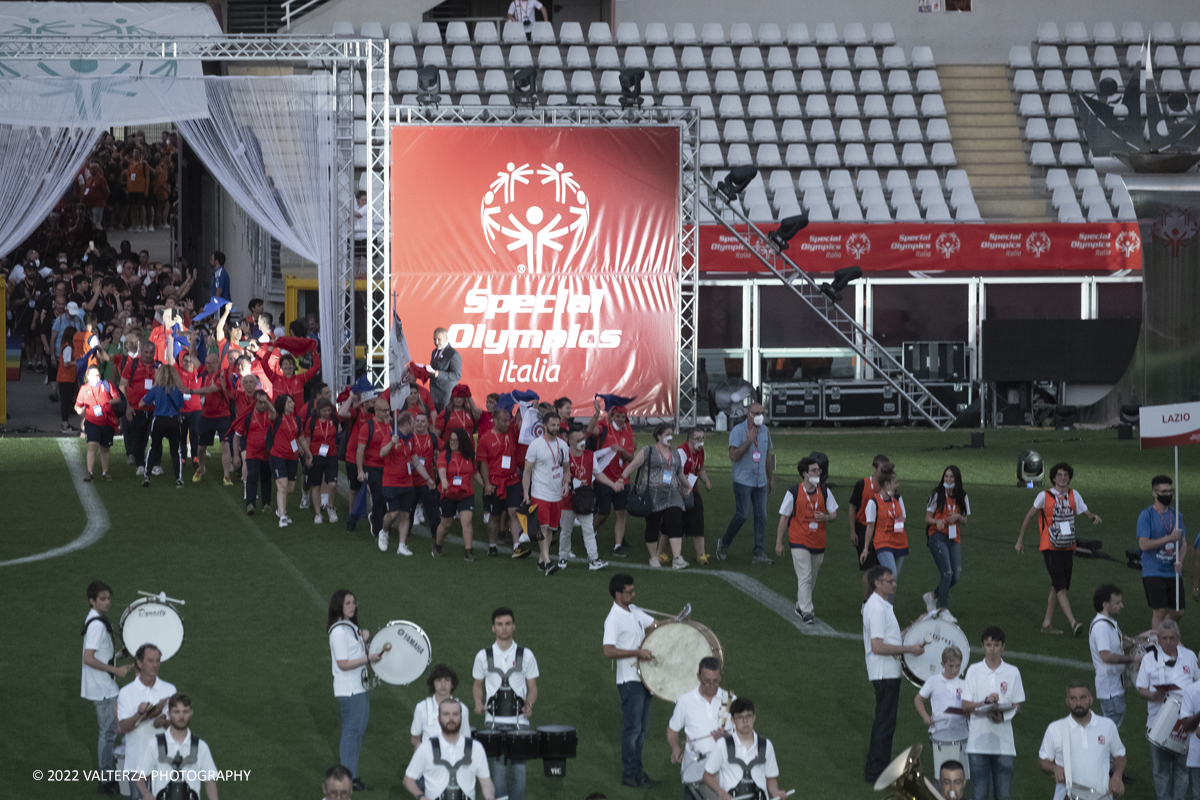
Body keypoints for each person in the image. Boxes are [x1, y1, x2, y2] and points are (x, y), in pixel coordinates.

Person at [1016, 462, 1102, 636]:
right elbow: (1029, 516)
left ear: (1070, 478)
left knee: (1058, 586)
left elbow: (1086, 512)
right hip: (1050, 546)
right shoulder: (1044, 496)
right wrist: (1020, 540)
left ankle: (1046, 624)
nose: (1063, 478)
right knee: (1061, 587)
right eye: (1059, 475)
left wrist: (1093, 517)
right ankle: (1073, 623)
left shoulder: (1074, 495)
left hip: (1068, 545)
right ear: (1053, 478)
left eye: (1066, 475)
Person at [862, 565, 925, 784]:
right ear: (877, 583)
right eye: (890, 581)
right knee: (884, 723)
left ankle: (878, 769)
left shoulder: (882, 605)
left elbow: (891, 639)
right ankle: (875, 772)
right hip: (884, 672)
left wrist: (916, 625)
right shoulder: (877, 608)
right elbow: (878, 647)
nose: (894, 584)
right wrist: (909, 650)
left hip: (887, 671)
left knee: (886, 722)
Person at [472, 607, 540, 800]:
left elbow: (532, 687)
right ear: (493, 628)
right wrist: (478, 702)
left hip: (520, 722)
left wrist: (530, 704)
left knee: (520, 771)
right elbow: (477, 685)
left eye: (507, 624)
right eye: (499, 624)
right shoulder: (482, 656)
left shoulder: (526, 655)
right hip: (493, 721)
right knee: (498, 771)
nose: (504, 628)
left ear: (514, 626)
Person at [602, 573, 657, 789]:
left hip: (645, 680)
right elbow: (608, 650)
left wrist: (678, 622)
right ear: (618, 594)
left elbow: (654, 624)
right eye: (629, 592)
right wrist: (637, 652)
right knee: (632, 731)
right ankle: (629, 774)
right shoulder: (613, 619)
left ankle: (638, 772)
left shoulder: (632, 611)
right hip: (629, 681)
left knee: (641, 732)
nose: (633, 595)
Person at [327, 589, 382, 793]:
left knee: (357, 732)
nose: (352, 606)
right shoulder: (338, 632)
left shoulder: (350, 627)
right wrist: (368, 658)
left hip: (359, 687)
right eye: (348, 603)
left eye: (353, 602)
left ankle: (352, 776)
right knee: (351, 733)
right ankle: (347, 779)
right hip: (350, 690)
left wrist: (365, 641)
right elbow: (342, 663)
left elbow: (356, 653)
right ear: (339, 606)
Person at [1136, 618, 1197, 799]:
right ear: (1158, 639)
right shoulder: (1148, 659)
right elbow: (1141, 686)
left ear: (1178, 637)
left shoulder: (1190, 656)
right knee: (1160, 772)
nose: (1168, 642)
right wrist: (1152, 695)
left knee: (1182, 769)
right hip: (1158, 721)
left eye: (1172, 638)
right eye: (1164, 638)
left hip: (1185, 721)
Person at [961, 626, 1025, 800]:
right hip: (977, 745)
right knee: (979, 795)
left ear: (1003, 647)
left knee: (1003, 796)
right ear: (983, 646)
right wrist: (986, 704)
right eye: (988, 644)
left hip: (1004, 745)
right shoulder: (974, 671)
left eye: (996, 645)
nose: (992, 649)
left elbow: (1017, 705)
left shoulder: (1013, 673)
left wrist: (1001, 716)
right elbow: (965, 705)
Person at [81, 581, 131, 795]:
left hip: (104, 685)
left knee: (111, 730)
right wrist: (116, 670)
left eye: (108, 598)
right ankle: (106, 780)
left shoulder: (96, 620)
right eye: (103, 599)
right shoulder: (96, 626)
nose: (107, 602)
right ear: (92, 601)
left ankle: (111, 776)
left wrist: (119, 655)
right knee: (108, 732)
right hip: (102, 687)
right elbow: (88, 658)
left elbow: (99, 654)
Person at [775, 456, 838, 623]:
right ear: (805, 474)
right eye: (814, 470)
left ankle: (800, 604)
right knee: (805, 575)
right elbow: (784, 518)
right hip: (798, 539)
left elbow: (834, 514)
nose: (818, 472)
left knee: (812, 577)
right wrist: (779, 542)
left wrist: (825, 517)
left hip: (818, 540)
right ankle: (807, 611)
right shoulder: (794, 492)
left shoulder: (824, 491)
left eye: (819, 470)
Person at [620, 423, 692, 569]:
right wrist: (621, 478)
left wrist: (687, 486)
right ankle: (653, 557)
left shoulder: (676, 453)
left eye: (672, 434)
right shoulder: (648, 451)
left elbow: (679, 473)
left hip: (672, 494)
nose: (670, 437)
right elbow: (633, 465)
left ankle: (677, 558)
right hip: (652, 494)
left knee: (675, 524)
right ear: (659, 436)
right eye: (667, 434)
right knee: (652, 526)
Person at [1038, 681, 1126, 800]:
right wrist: (1054, 768)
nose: (1078, 703)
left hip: (1101, 796)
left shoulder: (1107, 725)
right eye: (1073, 698)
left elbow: (1120, 755)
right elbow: (1043, 760)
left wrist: (1117, 776)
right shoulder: (1055, 728)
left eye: (1083, 698)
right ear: (1067, 702)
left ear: (1091, 700)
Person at [667, 657, 735, 799]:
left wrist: (727, 737)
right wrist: (675, 748)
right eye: (707, 681)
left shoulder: (730, 701)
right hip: (695, 767)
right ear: (698, 677)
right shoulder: (686, 701)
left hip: (723, 766)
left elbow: (744, 735)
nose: (712, 685)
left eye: (716, 681)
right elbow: (673, 730)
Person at [716, 402, 775, 565]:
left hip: (760, 480)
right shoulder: (738, 431)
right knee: (742, 514)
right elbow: (733, 456)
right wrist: (749, 442)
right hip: (743, 480)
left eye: (762, 413)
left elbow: (768, 455)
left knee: (761, 516)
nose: (760, 417)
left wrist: (771, 478)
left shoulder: (765, 431)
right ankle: (724, 543)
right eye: (756, 413)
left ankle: (759, 552)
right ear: (748, 414)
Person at [403, 699, 496, 800]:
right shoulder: (426, 748)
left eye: (455, 714)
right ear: (439, 718)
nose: (451, 718)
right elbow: (408, 779)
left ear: (461, 718)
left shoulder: (476, 748)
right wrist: (421, 796)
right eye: (446, 714)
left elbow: (485, 781)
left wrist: (490, 797)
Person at [117, 644, 178, 800]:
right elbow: (124, 728)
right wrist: (140, 714)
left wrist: (163, 722)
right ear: (139, 663)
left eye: (157, 661)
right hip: (137, 765)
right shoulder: (126, 693)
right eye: (150, 660)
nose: (155, 665)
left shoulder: (170, 690)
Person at [133, 694, 220, 800]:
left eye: (185, 712)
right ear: (169, 714)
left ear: (190, 713)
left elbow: (210, 781)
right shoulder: (154, 744)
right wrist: (146, 793)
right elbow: (139, 776)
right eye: (176, 712)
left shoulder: (201, 747)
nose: (181, 716)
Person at [701, 698, 787, 800]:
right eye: (740, 718)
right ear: (732, 720)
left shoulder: (766, 745)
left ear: (754, 718)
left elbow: (771, 779)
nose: (745, 721)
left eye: (748, 716)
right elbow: (707, 775)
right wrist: (721, 792)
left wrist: (775, 792)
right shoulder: (722, 745)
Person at [588, 397, 636, 558]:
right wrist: (596, 414)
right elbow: (590, 430)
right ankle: (589, 532)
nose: (621, 420)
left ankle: (617, 546)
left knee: (621, 513)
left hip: (623, 479)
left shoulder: (627, 432)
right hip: (604, 477)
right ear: (612, 416)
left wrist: (622, 451)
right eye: (618, 416)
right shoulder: (604, 426)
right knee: (603, 513)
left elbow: (631, 458)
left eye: (623, 417)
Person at [523, 410, 570, 574]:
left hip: (557, 493)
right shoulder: (535, 445)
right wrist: (526, 494)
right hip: (540, 493)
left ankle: (541, 561)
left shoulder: (563, 445)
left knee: (550, 528)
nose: (556, 428)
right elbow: (527, 471)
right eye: (553, 425)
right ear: (544, 426)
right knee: (543, 527)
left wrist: (566, 483)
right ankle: (548, 561)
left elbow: (566, 469)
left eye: (558, 425)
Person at [1090, 584, 1142, 731]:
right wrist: (1134, 659)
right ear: (1105, 605)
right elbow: (1106, 656)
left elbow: (1117, 646)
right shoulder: (1101, 627)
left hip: (1114, 687)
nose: (1122, 606)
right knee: (1109, 735)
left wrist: (1142, 637)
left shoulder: (1107, 624)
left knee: (1110, 734)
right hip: (1111, 690)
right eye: (1117, 603)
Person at [558, 425, 609, 571]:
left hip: (585, 499)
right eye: (579, 440)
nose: (583, 442)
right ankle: (563, 556)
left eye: (583, 438)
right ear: (570, 441)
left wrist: (612, 483)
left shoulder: (589, 455)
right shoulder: (563, 455)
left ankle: (593, 559)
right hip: (567, 499)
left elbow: (598, 473)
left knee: (588, 530)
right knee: (566, 531)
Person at [915, 645, 969, 782]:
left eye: (958, 666)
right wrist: (926, 717)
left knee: (960, 773)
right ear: (942, 664)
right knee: (941, 772)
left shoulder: (964, 684)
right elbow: (918, 699)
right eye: (951, 666)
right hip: (940, 732)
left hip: (962, 732)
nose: (955, 670)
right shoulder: (934, 681)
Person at [1139, 475, 1188, 627]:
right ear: (1154, 493)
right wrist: (1168, 538)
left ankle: (1158, 633)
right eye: (1163, 492)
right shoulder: (1146, 515)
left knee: (1179, 611)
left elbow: (1184, 543)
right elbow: (1143, 544)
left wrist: (1180, 560)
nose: (1167, 495)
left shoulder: (1176, 514)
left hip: (1173, 571)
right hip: (1153, 570)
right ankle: (1158, 643)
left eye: (1169, 491)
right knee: (1159, 610)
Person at [379, 410, 428, 554]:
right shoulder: (390, 437)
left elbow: (416, 462)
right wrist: (391, 444)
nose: (416, 425)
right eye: (414, 422)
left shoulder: (411, 439)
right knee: (393, 513)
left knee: (405, 515)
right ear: (407, 424)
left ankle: (402, 545)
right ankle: (384, 531)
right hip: (391, 482)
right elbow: (382, 453)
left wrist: (428, 478)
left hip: (407, 483)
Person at [925, 466, 970, 618]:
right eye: (946, 476)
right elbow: (927, 518)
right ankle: (943, 609)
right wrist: (936, 521)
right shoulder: (937, 494)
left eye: (951, 477)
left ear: (956, 479)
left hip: (953, 538)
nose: (948, 479)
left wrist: (958, 517)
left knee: (955, 576)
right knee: (947, 572)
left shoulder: (962, 496)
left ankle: (932, 596)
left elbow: (965, 520)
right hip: (937, 536)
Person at [477, 407, 521, 558]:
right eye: (504, 421)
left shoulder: (512, 433)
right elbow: (483, 463)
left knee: (514, 512)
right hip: (496, 483)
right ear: (495, 421)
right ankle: (492, 545)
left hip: (513, 480)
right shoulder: (485, 439)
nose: (507, 424)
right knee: (495, 515)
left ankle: (517, 546)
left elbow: (523, 426)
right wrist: (487, 484)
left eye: (509, 420)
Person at [435, 428, 482, 560]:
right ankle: (438, 545)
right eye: (451, 440)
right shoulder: (445, 455)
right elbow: (441, 468)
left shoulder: (469, 456)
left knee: (466, 521)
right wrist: (443, 480)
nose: (453, 442)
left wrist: (486, 485)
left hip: (466, 494)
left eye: (456, 440)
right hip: (448, 494)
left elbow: (475, 473)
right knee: (446, 524)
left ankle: (468, 550)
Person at [139, 363, 188, 489]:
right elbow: (180, 408)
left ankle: (147, 476)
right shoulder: (177, 390)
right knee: (175, 451)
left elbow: (141, 404)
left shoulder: (155, 389)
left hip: (158, 420)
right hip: (173, 421)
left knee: (153, 448)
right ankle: (178, 478)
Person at [860, 463, 907, 586]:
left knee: (893, 580)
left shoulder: (898, 498)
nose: (897, 485)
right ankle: (881, 603)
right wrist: (865, 549)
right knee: (892, 576)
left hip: (900, 542)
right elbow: (870, 526)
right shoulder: (873, 503)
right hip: (883, 542)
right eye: (895, 483)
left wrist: (900, 519)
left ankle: (886, 605)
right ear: (887, 485)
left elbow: (903, 518)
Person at [233, 388, 276, 515]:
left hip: (267, 453)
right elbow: (237, 436)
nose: (263, 405)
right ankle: (250, 503)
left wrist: (267, 402)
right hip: (252, 452)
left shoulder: (270, 414)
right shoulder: (247, 416)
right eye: (260, 402)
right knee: (252, 475)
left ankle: (266, 504)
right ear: (254, 403)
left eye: (265, 402)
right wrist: (236, 456)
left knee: (266, 478)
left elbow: (273, 412)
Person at [75, 365, 121, 481]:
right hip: (91, 422)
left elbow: (118, 398)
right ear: (88, 376)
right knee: (92, 445)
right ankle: (89, 472)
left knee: (105, 448)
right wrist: (79, 409)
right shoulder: (84, 389)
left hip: (107, 421)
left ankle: (105, 472)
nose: (97, 377)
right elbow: (78, 404)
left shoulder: (107, 385)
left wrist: (108, 403)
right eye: (94, 375)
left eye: (98, 374)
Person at [300, 398, 341, 524]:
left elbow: (338, 430)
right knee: (316, 485)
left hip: (331, 455)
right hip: (316, 455)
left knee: (333, 484)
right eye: (325, 411)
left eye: (329, 410)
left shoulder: (334, 418)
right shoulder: (311, 421)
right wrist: (308, 456)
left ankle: (331, 508)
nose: (328, 413)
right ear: (318, 410)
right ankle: (318, 514)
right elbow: (307, 439)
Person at [356, 398, 393, 537]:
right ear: (376, 411)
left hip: (388, 467)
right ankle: (378, 529)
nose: (387, 413)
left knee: (387, 497)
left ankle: (382, 523)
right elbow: (360, 450)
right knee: (377, 497)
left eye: (388, 410)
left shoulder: (391, 425)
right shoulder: (368, 426)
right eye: (384, 410)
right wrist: (360, 471)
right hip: (373, 466)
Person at [678, 427, 714, 565]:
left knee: (698, 521)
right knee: (673, 524)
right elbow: (679, 473)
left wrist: (706, 480)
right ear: (690, 440)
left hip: (692, 490)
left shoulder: (700, 452)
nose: (701, 441)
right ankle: (661, 552)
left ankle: (701, 555)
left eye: (703, 438)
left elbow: (701, 468)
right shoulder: (682, 451)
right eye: (698, 439)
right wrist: (686, 486)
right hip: (678, 491)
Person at [412, 664, 471, 749]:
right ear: (433, 683)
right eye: (439, 680)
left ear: (452, 683)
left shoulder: (462, 709)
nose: (443, 685)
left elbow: (466, 738)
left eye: (447, 680)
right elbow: (415, 737)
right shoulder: (421, 707)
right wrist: (418, 746)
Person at [848, 454, 890, 573]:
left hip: (882, 530)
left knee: (881, 568)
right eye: (882, 470)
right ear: (874, 468)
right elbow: (852, 508)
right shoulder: (862, 484)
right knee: (870, 569)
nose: (884, 474)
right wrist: (852, 531)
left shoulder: (889, 487)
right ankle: (867, 592)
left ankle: (876, 592)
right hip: (863, 528)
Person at [269, 394, 301, 528]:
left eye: (292, 402)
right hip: (278, 455)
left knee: (290, 488)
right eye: (289, 402)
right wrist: (267, 401)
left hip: (292, 457)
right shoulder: (277, 418)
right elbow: (271, 412)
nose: (292, 404)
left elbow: (297, 437)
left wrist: (304, 451)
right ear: (282, 404)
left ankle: (280, 510)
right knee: (282, 485)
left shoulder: (296, 419)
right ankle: (282, 516)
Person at [428, 327, 462, 412]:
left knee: (445, 420)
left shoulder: (453, 354)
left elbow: (457, 375)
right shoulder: (434, 352)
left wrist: (439, 374)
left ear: (446, 338)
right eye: (434, 339)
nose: (436, 342)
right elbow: (433, 369)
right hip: (434, 394)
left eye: (439, 339)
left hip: (446, 396)